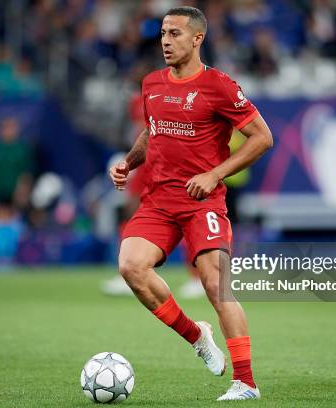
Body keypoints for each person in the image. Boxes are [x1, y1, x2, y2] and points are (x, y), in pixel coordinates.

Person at [109, 6, 273, 401]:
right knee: (131, 266)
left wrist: (215, 174)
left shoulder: (219, 85)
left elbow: (262, 138)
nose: (166, 41)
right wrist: (129, 164)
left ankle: (246, 382)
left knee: (217, 285)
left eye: (176, 34)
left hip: (203, 202)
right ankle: (197, 336)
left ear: (197, 39)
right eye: (163, 33)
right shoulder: (151, 84)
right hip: (158, 201)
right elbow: (152, 132)